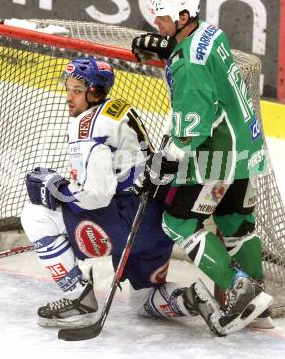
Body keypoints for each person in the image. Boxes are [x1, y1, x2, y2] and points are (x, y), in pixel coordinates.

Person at [20, 56, 224, 333]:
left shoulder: (86, 127)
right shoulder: (118, 108)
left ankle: (79, 299)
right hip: (155, 220)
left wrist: (56, 187)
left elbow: (95, 197)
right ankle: (190, 297)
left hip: (124, 220)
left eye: (77, 91)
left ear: (95, 92)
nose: (68, 97)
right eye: (67, 88)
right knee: (142, 301)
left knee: (34, 214)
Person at [132, 0, 274, 330]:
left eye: (162, 18)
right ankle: (259, 306)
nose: (156, 24)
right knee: (235, 222)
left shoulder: (188, 62)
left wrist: (164, 162)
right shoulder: (210, 33)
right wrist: (170, 47)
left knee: (177, 222)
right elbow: (202, 66)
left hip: (218, 155)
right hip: (246, 145)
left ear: (183, 16)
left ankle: (242, 291)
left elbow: (192, 126)